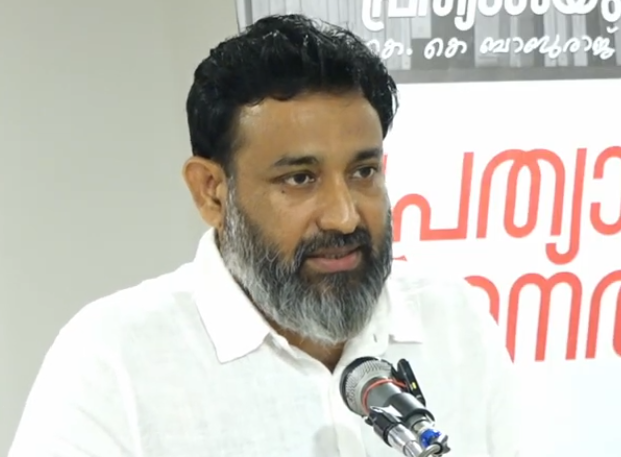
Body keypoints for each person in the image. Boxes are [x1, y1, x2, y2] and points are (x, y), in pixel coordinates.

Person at [9, 14, 519, 457]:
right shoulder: (114, 359)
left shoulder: (456, 321)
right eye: (300, 179)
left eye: (363, 172)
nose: (344, 217)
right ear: (211, 192)